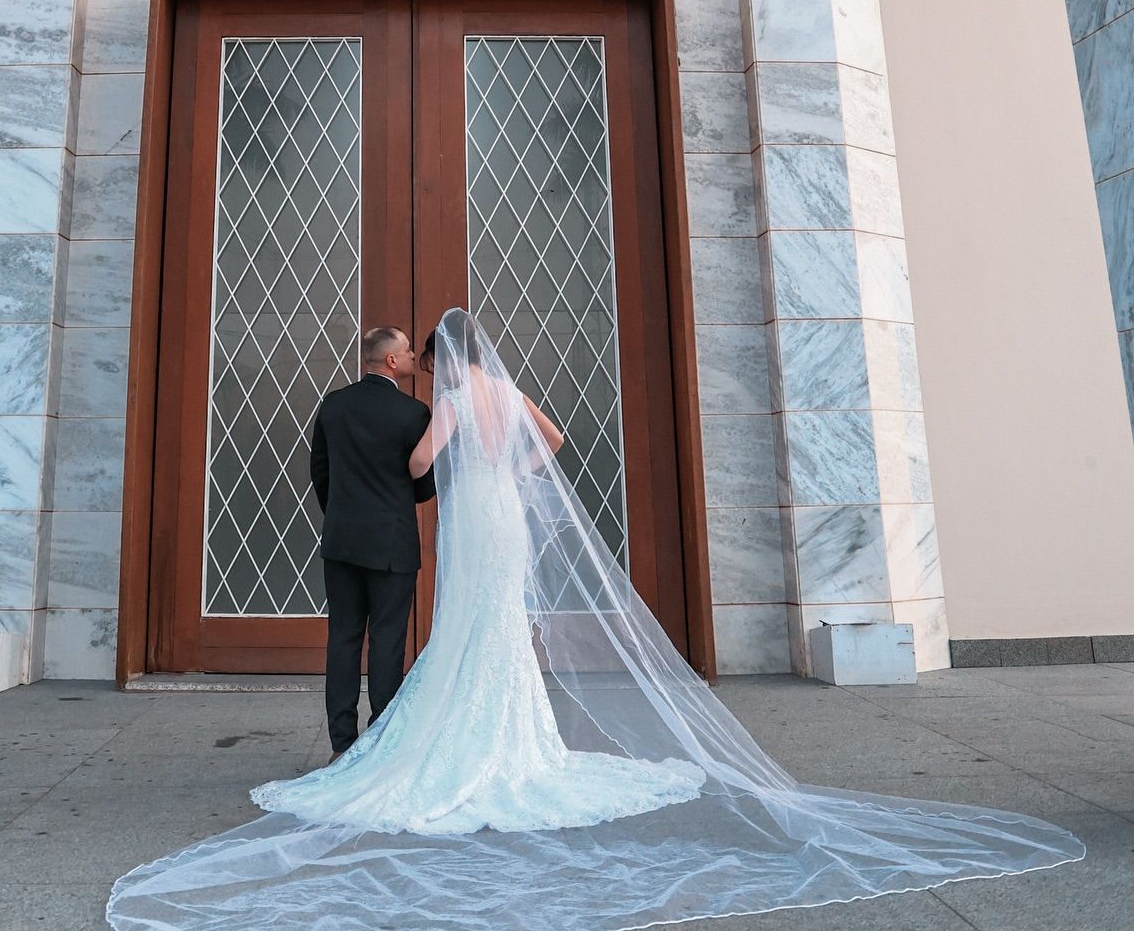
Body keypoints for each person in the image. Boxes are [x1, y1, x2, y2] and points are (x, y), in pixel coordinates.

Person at [107, 308, 1084, 931]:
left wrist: (443, 467)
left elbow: (418, 466)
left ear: (436, 359)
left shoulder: (444, 400)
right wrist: (508, 472)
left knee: (441, 631)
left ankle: (386, 741)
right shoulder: (502, 388)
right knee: (491, 629)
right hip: (506, 516)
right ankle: (509, 734)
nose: (423, 369)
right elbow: (555, 440)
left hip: (459, 523)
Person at [309, 324, 435, 756]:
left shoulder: (334, 405)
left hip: (342, 540)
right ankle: (381, 743)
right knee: (387, 640)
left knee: (343, 638)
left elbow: (320, 471)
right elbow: (424, 486)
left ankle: (341, 744)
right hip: (392, 544)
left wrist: (343, 514)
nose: (414, 355)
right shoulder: (414, 413)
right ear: (391, 361)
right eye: (408, 350)